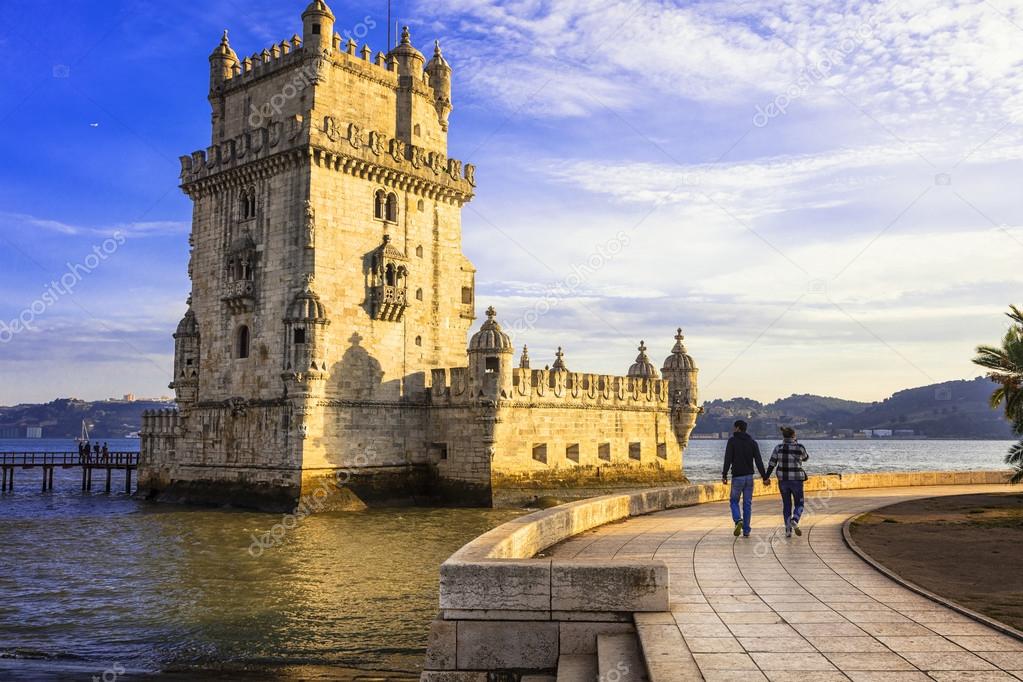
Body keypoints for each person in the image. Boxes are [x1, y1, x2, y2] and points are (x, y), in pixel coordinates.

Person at [722, 420, 767, 538]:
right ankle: (746, 530)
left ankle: (738, 520)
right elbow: (758, 461)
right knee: (747, 504)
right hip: (749, 478)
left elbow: (727, 459)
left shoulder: (732, 441)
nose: (733, 430)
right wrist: (764, 477)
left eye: (734, 427)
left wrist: (724, 474)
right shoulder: (752, 442)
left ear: (737, 428)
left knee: (734, 501)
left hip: (737, 477)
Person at [764, 426, 809, 538]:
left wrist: (766, 477)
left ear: (783, 436)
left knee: (787, 505)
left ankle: (788, 530)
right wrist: (796, 444)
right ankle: (795, 519)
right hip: (797, 480)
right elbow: (805, 458)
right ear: (793, 435)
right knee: (799, 503)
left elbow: (772, 464)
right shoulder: (800, 447)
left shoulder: (778, 447)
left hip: (783, 480)